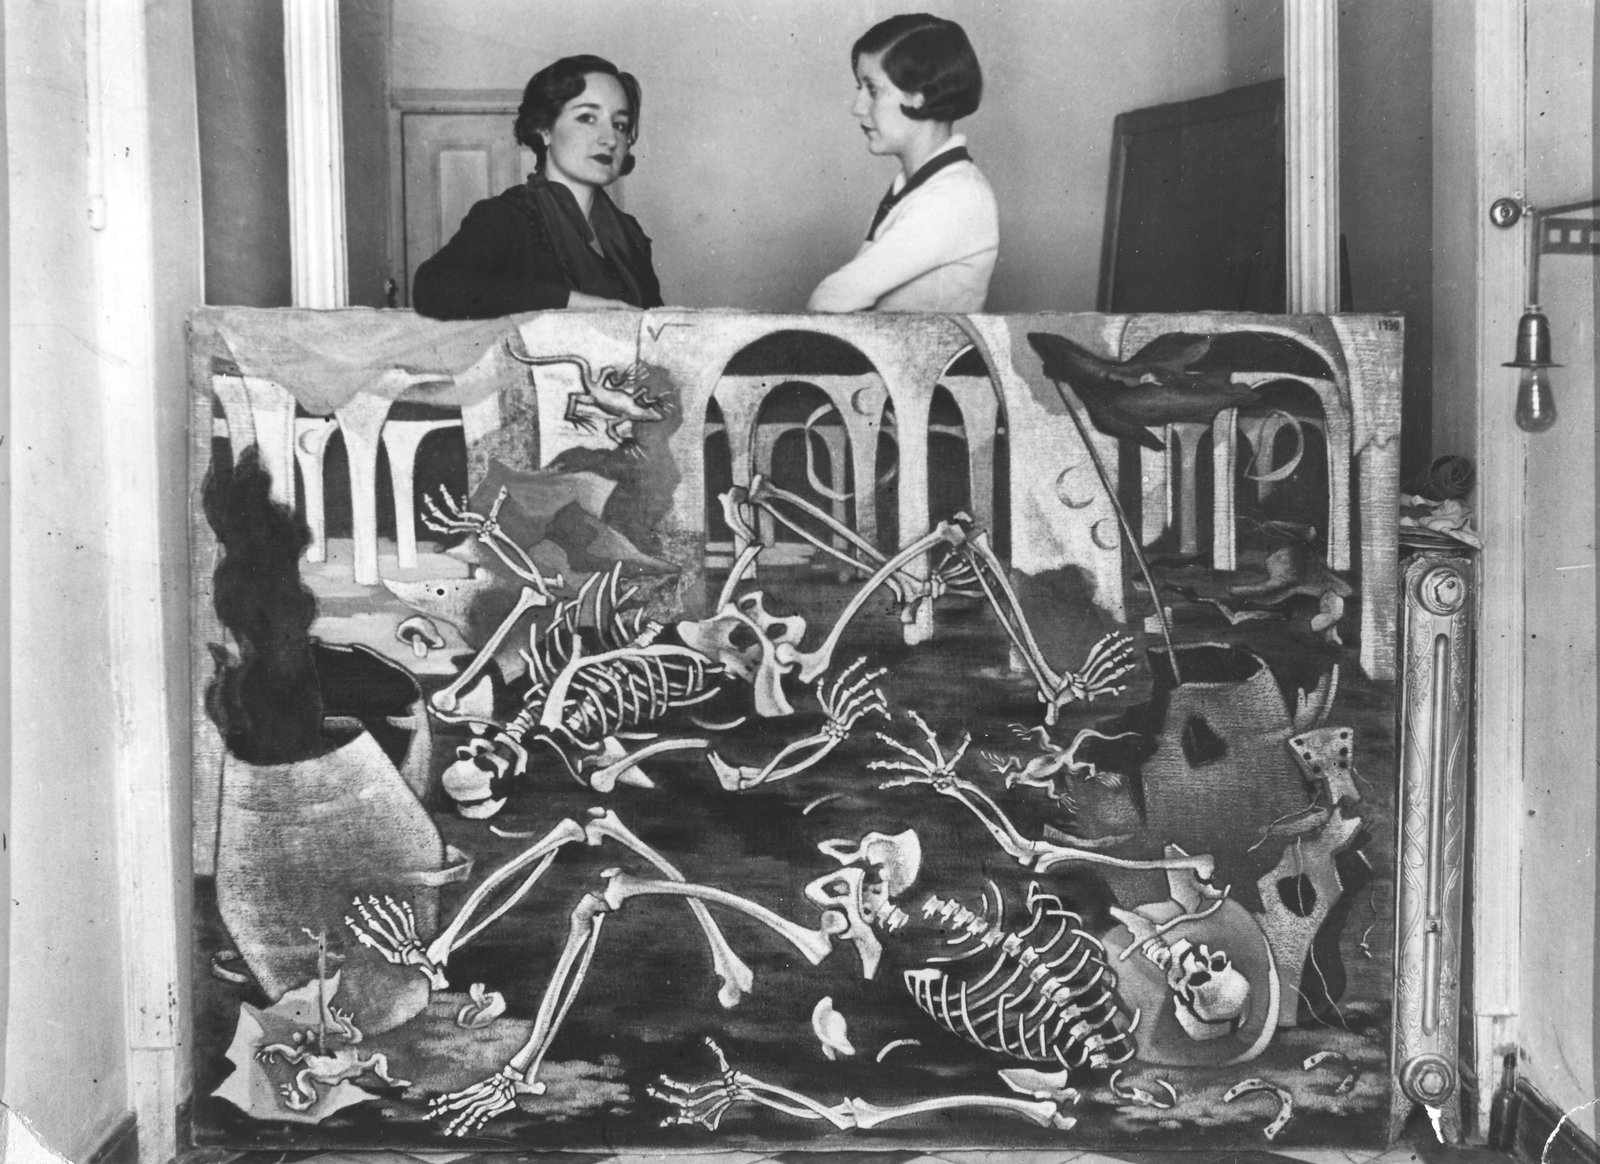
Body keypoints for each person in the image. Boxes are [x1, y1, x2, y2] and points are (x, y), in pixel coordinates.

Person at [412, 54, 662, 319]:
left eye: (619, 125)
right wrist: (570, 301)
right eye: (587, 118)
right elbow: (433, 288)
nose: (610, 139)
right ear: (545, 129)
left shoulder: (630, 233)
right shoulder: (507, 217)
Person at [807, 14, 997, 314]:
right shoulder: (920, 187)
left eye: (872, 90)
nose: (857, 108)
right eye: (859, 89)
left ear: (919, 95)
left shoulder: (954, 197)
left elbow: (833, 298)